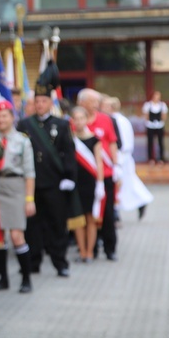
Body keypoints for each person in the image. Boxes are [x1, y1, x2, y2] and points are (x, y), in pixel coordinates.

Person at [17, 61, 77, 276]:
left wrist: (69, 176)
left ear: (50, 102)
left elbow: (68, 152)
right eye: (37, 101)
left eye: (43, 101)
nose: (40, 104)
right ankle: (33, 263)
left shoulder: (61, 125)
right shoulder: (24, 125)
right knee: (32, 225)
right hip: (31, 184)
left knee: (56, 224)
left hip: (54, 183)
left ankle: (60, 263)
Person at [0, 100, 36, 293]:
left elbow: (29, 172)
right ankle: (3, 278)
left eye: (4, 116)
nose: (1, 120)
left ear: (12, 117)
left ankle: (26, 278)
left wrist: (29, 199)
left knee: (17, 235)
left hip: (15, 186)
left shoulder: (22, 140)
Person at [78, 88, 120, 261]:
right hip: (83, 175)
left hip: (106, 174)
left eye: (97, 102)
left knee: (108, 212)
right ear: (82, 102)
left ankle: (110, 248)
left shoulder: (105, 119)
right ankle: (90, 249)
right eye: (92, 101)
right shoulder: (76, 121)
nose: (96, 105)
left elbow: (112, 143)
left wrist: (117, 166)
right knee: (87, 214)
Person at [101, 97, 153, 220]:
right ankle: (139, 202)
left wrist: (116, 160)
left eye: (104, 106)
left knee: (120, 184)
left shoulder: (117, 121)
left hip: (121, 156)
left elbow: (120, 142)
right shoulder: (121, 120)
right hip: (123, 156)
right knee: (128, 183)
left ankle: (117, 211)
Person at [70, 106, 104, 262]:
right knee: (78, 218)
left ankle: (90, 251)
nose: (78, 122)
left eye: (81, 118)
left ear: (86, 119)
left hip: (90, 182)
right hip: (74, 183)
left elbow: (99, 162)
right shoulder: (70, 139)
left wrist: (101, 183)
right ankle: (82, 251)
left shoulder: (94, 139)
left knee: (90, 218)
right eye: (75, 119)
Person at [142, 91, 168, 165]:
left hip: (160, 125)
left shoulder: (162, 105)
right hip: (150, 125)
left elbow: (164, 116)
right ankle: (151, 159)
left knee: (160, 142)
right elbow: (146, 115)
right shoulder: (148, 105)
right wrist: (150, 122)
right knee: (150, 143)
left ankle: (161, 158)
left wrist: (160, 121)